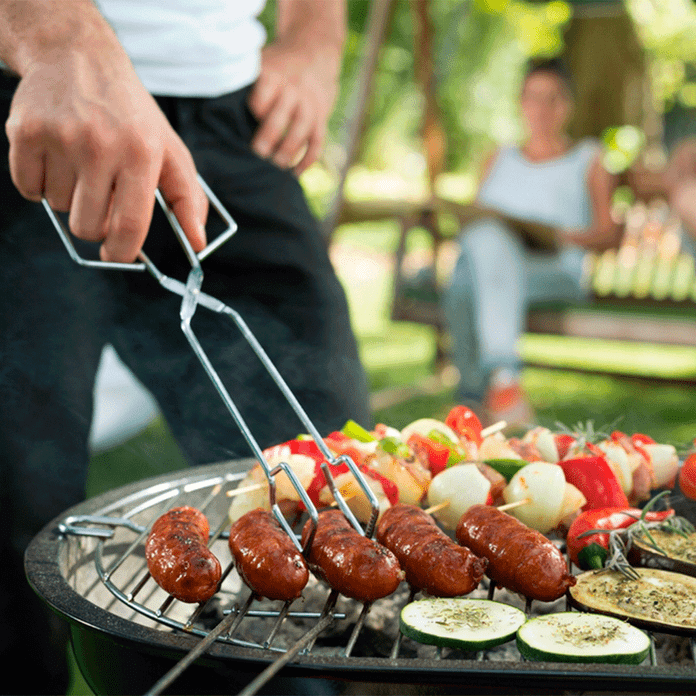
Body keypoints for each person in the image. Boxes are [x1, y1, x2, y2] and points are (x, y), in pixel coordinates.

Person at [0, 1, 371, 692]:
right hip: (35, 96)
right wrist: (54, 33)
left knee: (333, 495)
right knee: (16, 513)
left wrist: (315, 39)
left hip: (237, 120)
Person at [443, 58, 621, 426]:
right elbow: (477, 221)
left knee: (467, 280)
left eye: (552, 98)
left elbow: (610, 233)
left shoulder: (588, 158)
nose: (541, 109)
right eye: (533, 98)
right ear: (521, 103)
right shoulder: (499, 156)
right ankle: (501, 388)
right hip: (496, 269)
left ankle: (477, 399)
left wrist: (558, 235)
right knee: (485, 245)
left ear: (567, 105)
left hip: (555, 270)